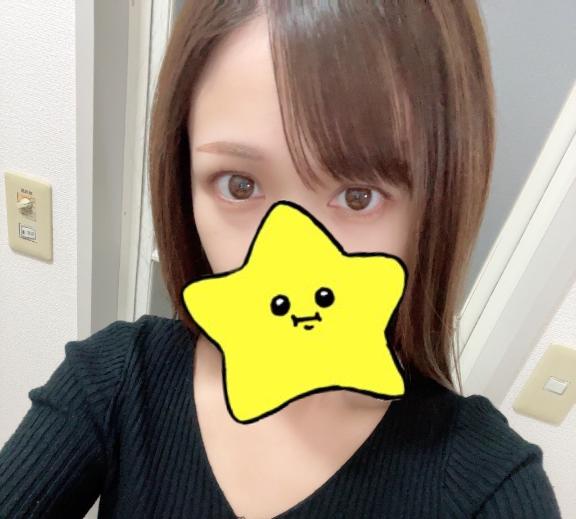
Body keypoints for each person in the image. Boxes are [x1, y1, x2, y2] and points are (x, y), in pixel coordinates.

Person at [0, 1, 563, 518]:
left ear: (434, 209)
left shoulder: (488, 484)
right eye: (239, 185)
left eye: (358, 195)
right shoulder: (113, 381)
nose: (291, 259)